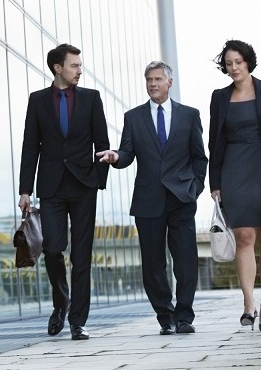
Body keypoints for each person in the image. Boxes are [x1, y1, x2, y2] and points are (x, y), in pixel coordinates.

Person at [97, 61, 208, 335]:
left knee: (185, 260)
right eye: (149, 79)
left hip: (182, 197)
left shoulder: (189, 115)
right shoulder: (133, 117)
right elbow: (127, 153)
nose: (153, 84)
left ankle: (184, 316)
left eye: (158, 79)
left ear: (169, 82)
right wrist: (115, 157)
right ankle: (165, 317)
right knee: (153, 263)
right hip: (148, 199)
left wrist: (195, 188)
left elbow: (199, 157)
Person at [18, 43, 110, 340]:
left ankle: (77, 321)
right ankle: (61, 303)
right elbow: (31, 146)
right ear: (58, 67)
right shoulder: (37, 101)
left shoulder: (92, 99)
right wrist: (25, 190)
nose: (79, 70)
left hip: (84, 185)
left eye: (80, 66)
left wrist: (99, 179)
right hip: (52, 186)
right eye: (74, 66)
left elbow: (103, 142)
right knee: (53, 249)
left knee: (82, 256)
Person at [208, 40, 261, 332]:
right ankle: (248, 303)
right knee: (243, 237)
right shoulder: (219, 97)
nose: (234, 68)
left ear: (248, 62)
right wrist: (214, 182)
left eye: (238, 62)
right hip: (234, 169)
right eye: (229, 63)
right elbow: (214, 142)